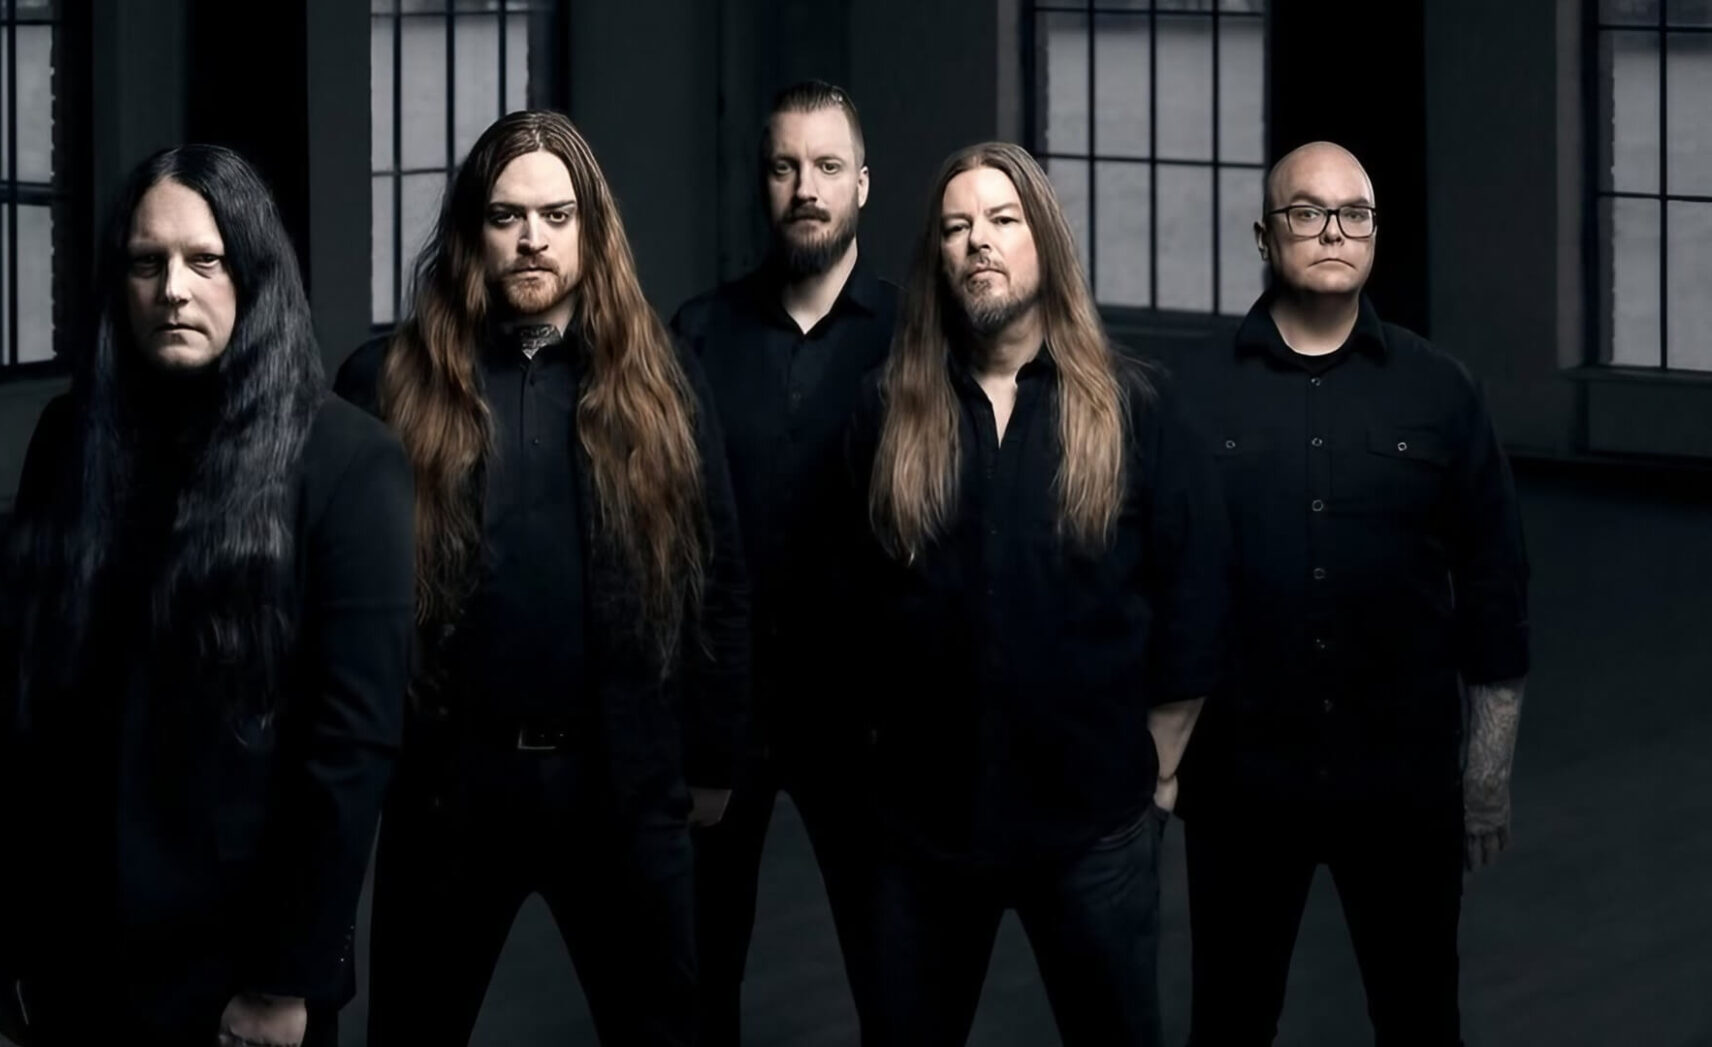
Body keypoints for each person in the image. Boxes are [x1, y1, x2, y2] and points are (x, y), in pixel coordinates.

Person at [0, 144, 416, 1047]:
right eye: (147, 261)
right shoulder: (68, 438)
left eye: (204, 260)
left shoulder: (347, 461)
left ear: (252, 273)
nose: (174, 287)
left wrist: (288, 976)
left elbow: (350, 749)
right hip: (75, 946)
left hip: (236, 965)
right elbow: (21, 704)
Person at [336, 110, 751, 1047]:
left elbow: (719, 577)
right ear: (470, 232)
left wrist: (715, 756)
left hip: (619, 783)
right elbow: (336, 605)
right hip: (450, 788)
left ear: (590, 232)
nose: (532, 240)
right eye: (508, 216)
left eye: (557, 217)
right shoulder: (385, 384)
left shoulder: (665, 382)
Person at [844, 141, 1229, 1047]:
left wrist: (1160, 769)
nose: (980, 242)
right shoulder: (884, 410)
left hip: (1093, 827)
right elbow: (853, 606)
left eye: (1003, 220)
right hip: (924, 831)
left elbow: (1195, 596)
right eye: (956, 227)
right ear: (936, 259)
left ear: (1045, 242)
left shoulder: (1138, 406)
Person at [1166, 140, 1531, 1047]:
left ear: (1375, 232)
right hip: (1241, 788)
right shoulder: (1189, 396)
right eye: (1305, 212)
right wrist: (1156, 759)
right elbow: (1160, 585)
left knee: (1418, 1019)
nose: (1332, 230)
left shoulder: (1442, 392)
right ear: (1264, 234)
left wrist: (1484, 779)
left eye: (1354, 213)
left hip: (1403, 785)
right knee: (1231, 1020)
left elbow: (1494, 589)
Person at [666, 79, 897, 1045]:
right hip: (727, 709)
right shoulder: (698, 335)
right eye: (785, 166)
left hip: (870, 720)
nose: (807, 187)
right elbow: (667, 532)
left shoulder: (915, 338)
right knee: (698, 974)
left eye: (827, 167)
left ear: (863, 186)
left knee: (897, 980)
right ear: (761, 183)